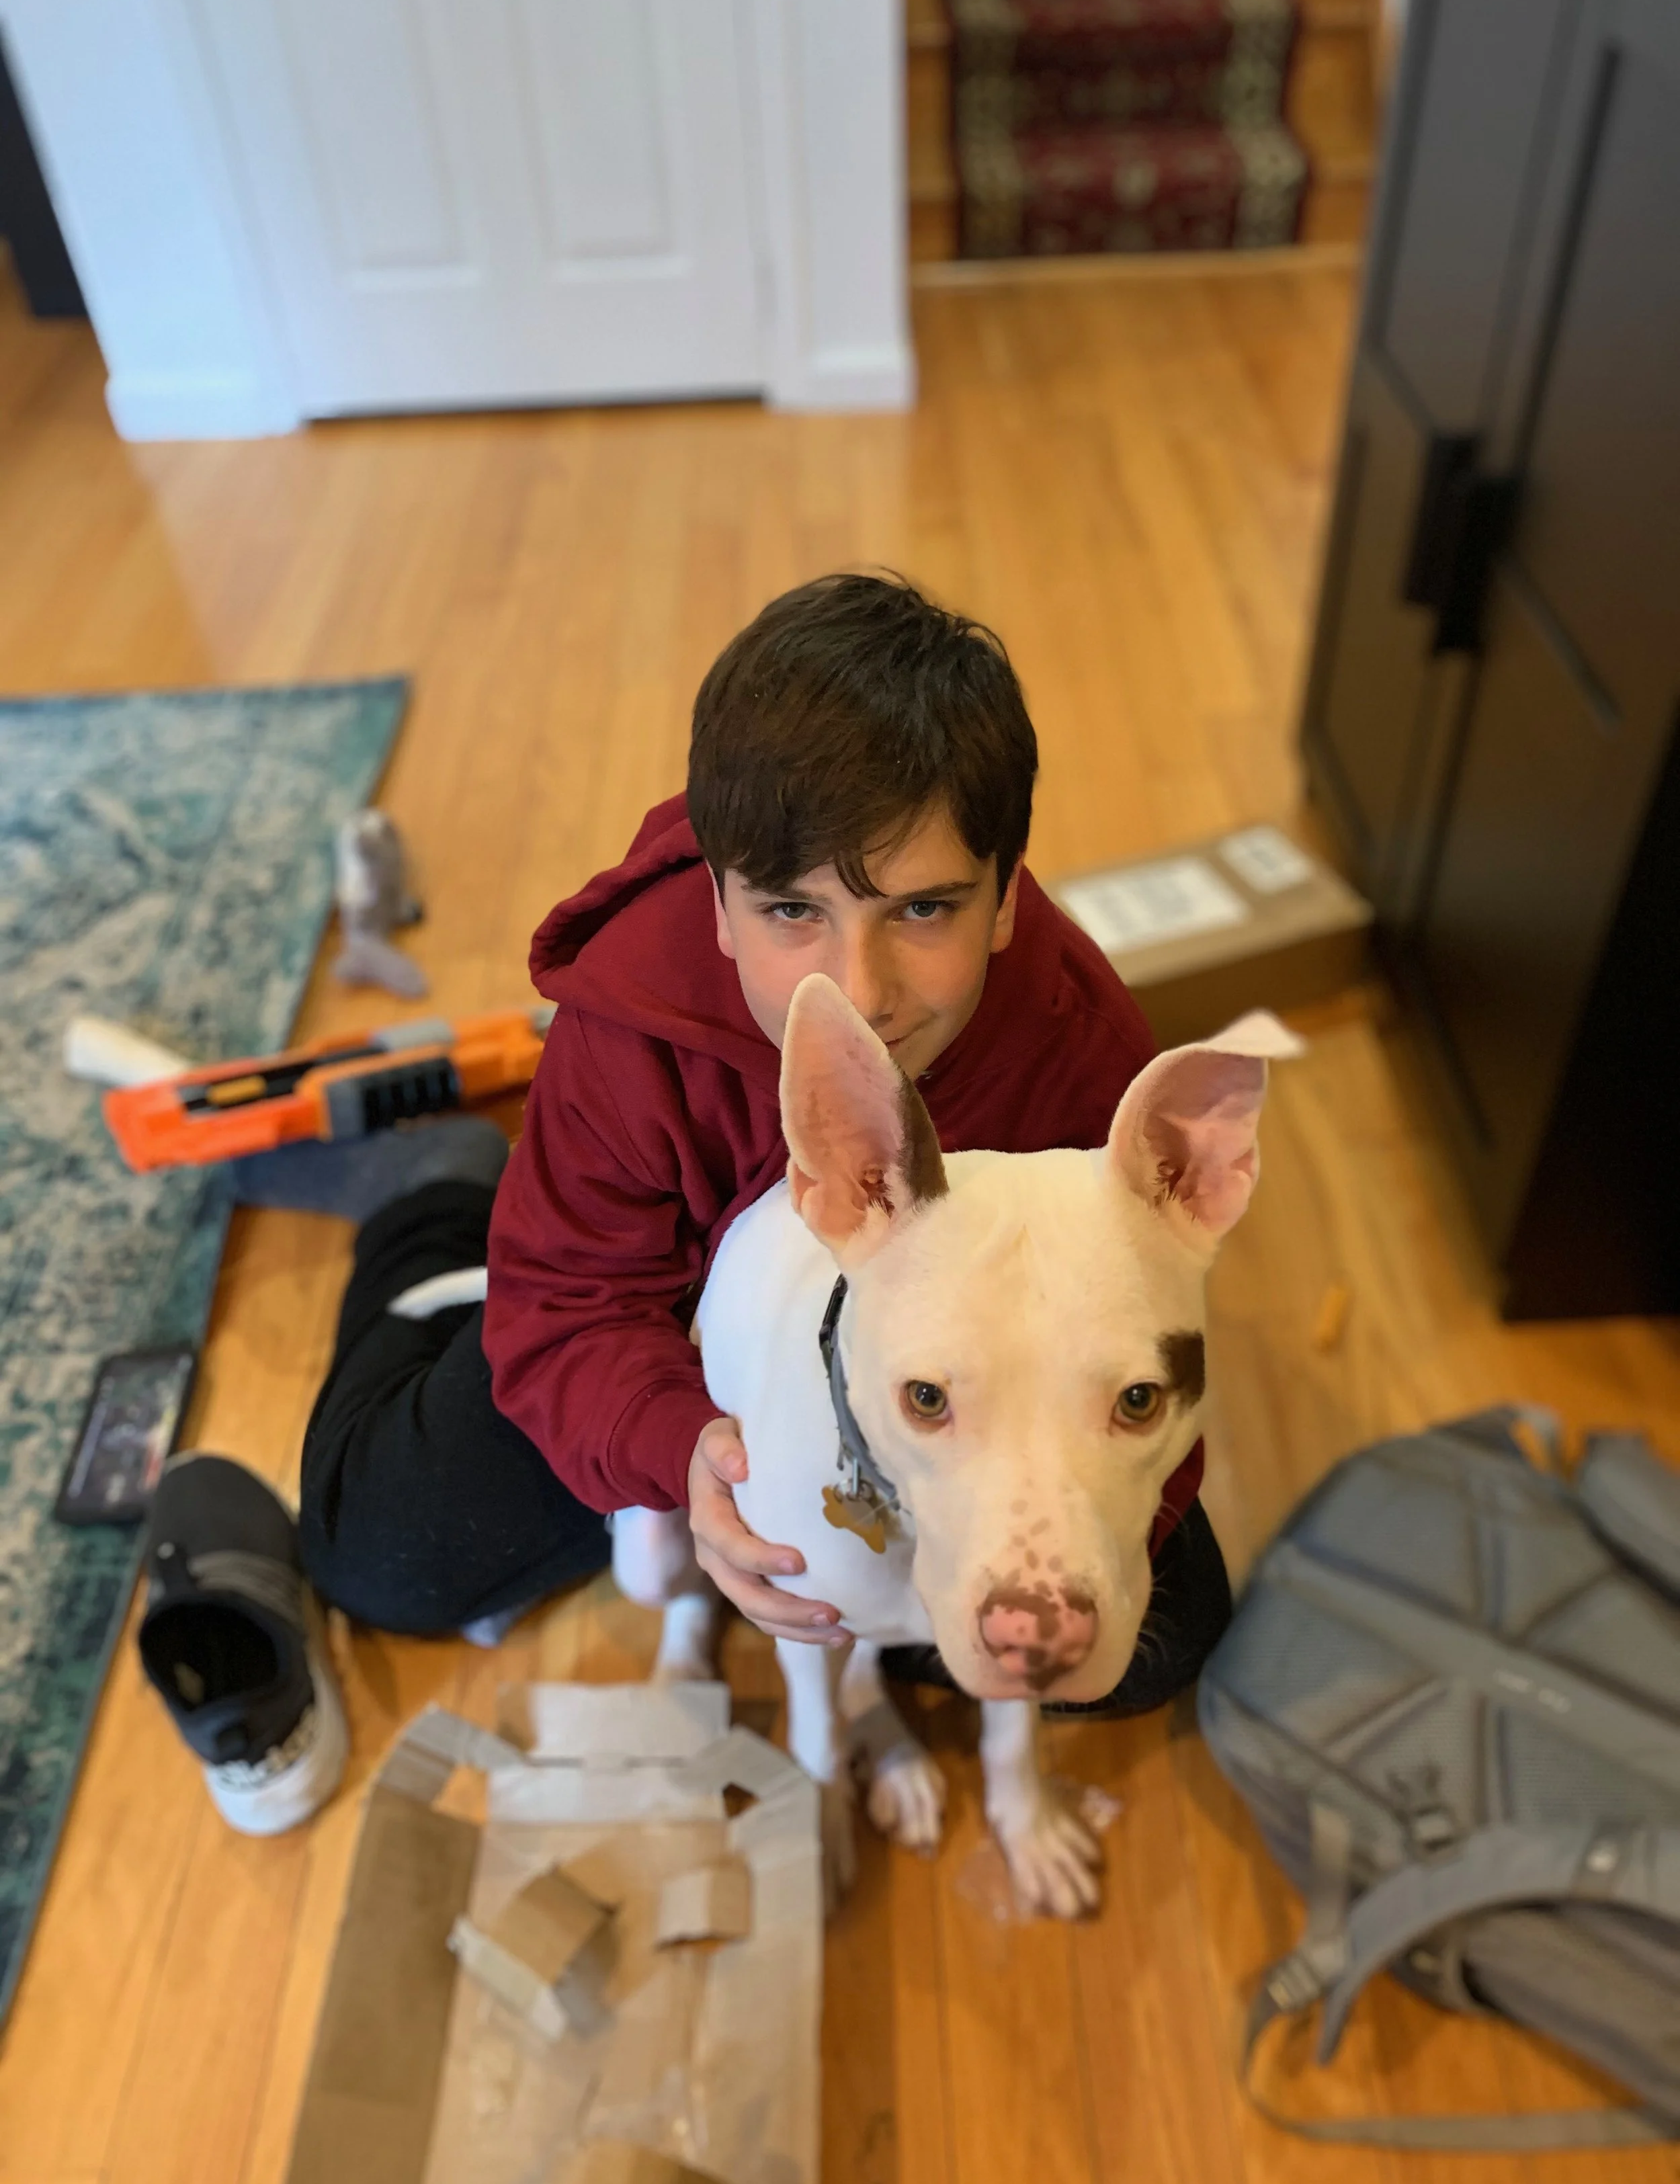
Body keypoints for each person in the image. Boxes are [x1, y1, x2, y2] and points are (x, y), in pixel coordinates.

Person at [278, 573, 1230, 1702]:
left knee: (1161, 1645)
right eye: (792, 912)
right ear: (719, 904)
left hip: (924, 1408)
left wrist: (1046, 1532)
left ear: (1007, 897)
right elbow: (566, 1307)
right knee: (378, 1556)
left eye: (924, 910)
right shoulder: (630, 1021)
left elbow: (1138, 1364)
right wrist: (686, 1457)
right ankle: (428, 1204)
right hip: (657, 1328)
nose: (859, 993)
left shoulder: (1082, 1057)